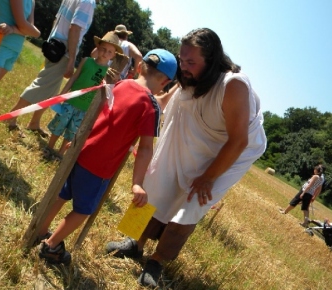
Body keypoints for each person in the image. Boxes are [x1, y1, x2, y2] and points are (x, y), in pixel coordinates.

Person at [106, 28, 267, 288]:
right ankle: (135, 242)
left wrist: (208, 177)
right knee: (157, 179)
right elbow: (163, 102)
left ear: (212, 60)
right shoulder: (190, 75)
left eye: (191, 62)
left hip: (232, 149)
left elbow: (238, 140)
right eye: (182, 60)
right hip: (193, 129)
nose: (184, 66)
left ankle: (157, 261)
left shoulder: (234, 85)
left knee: (192, 200)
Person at [36, 48, 177, 265]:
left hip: (81, 150)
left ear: (139, 67)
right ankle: (51, 245)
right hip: (100, 167)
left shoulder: (121, 85)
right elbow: (146, 148)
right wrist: (137, 183)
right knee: (83, 210)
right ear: (165, 82)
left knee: (62, 195)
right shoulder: (151, 106)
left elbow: (99, 110)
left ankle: (41, 229)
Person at [6, 0, 97, 138]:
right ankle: (10, 118)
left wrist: (51, 42)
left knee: (51, 90)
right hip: (63, 50)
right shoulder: (87, 2)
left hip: (55, 46)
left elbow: (57, 19)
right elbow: (75, 28)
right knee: (41, 85)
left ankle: (34, 123)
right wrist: (71, 58)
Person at [44, 31, 122, 160]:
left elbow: (108, 92)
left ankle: (60, 154)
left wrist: (114, 80)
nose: (105, 53)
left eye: (109, 51)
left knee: (71, 132)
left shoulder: (108, 73)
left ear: (113, 55)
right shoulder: (86, 61)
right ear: (97, 47)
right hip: (71, 102)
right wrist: (63, 93)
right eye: (103, 49)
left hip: (86, 109)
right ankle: (49, 148)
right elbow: (74, 77)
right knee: (59, 124)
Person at [0, 0, 40, 102]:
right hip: (0, 44)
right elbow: (23, 24)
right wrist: (31, 31)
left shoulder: (32, 1)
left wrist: (13, 29)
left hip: (14, 50)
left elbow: (32, 30)